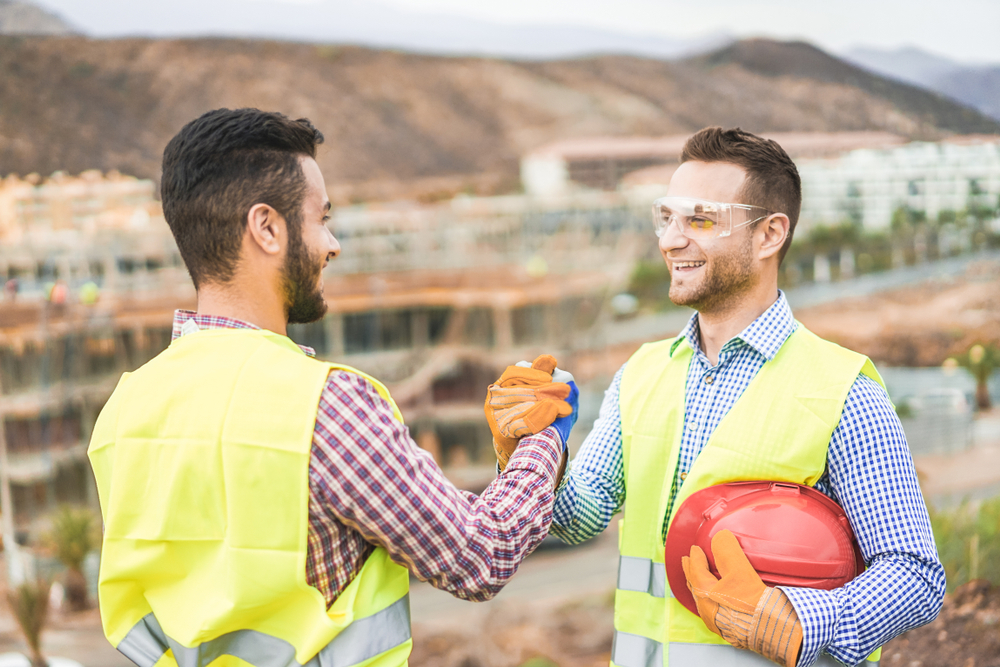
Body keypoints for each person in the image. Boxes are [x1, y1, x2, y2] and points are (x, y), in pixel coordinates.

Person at [87, 108, 574, 667]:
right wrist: (545, 436)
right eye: (321, 219)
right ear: (266, 228)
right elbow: (478, 556)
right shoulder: (323, 407)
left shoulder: (124, 411)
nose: (333, 244)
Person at [544, 128, 945, 667]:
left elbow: (914, 577)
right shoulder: (640, 374)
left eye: (700, 219)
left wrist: (801, 619)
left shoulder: (843, 392)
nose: (669, 240)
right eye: (667, 217)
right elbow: (579, 518)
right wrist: (531, 448)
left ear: (769, 235)